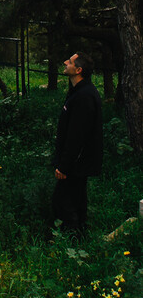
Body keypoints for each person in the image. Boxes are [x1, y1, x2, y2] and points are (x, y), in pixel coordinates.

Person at [52, 51, 103, 235]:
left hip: (76, 163)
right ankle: (81, 233)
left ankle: (72, 238)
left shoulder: (84, 97)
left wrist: (64, 166)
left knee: (63, 201)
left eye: (70, 61)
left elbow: (77, 137)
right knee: (77, 197)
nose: (65, 62)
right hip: (75, 162)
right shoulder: (78, 91)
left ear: (78, 69)